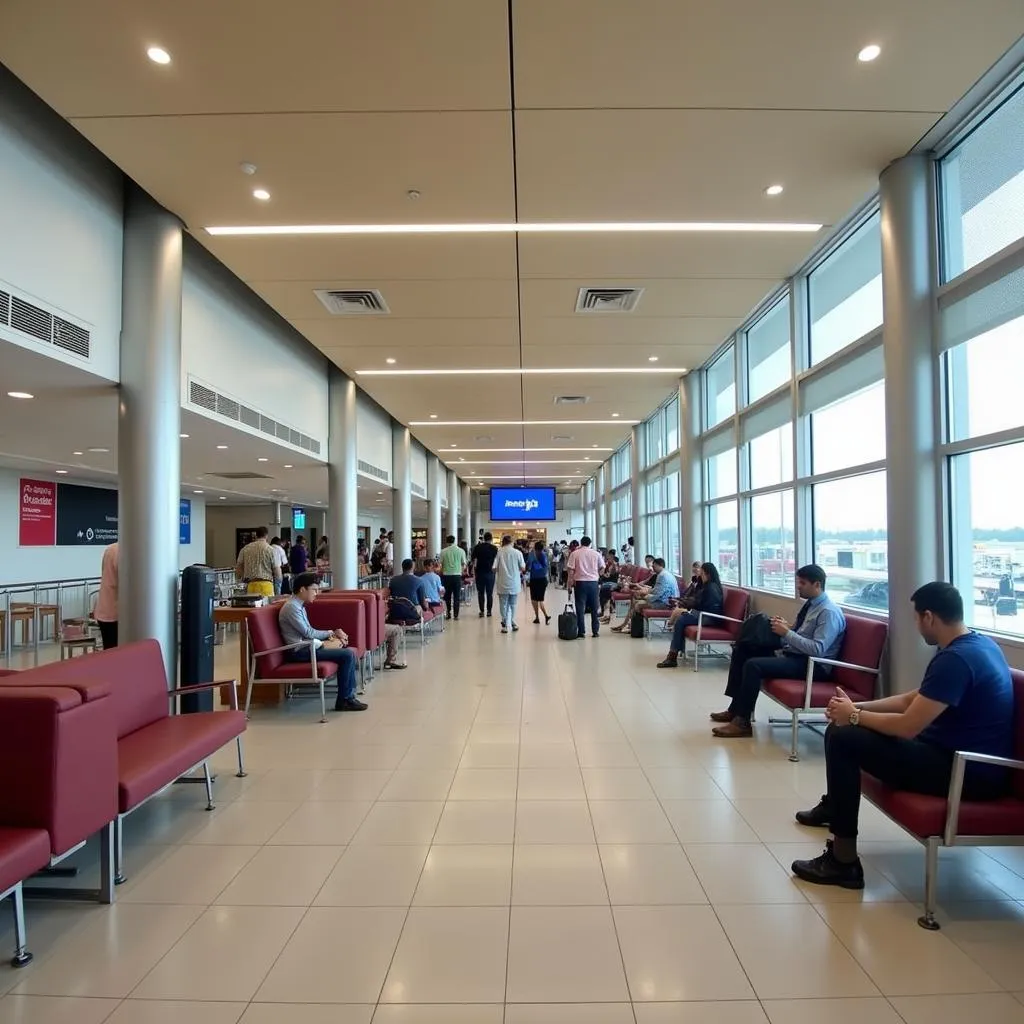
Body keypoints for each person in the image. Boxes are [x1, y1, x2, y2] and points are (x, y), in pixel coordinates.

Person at [791, 582, 1014, 891]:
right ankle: (835, 809)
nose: (916, 625)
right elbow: (914, 699)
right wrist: (856, 707)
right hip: (956, 759)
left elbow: (909, 726)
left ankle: (843, 863)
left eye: (916, 618)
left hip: (966, 773)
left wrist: (853, 716)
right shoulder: (977, 645)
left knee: (844, 737)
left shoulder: (956, 660)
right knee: (843, 730)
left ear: (929, 617)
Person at [711, 563, 846, 738]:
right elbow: (801, 633)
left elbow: (817, 649)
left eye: (803, 583)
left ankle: (743, 722)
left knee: (754, 665)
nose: (798, 587)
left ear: (817, 584)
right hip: (796, 655)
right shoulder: (812, 606)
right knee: (743, 650)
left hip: (813, 666)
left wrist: (787, 633)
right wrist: (786, 627)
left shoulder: (828, 612)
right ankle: (735, 709)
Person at [277, 572, 366, 712]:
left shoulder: (299, 605)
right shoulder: (292, 608)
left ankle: (349, 697)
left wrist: (331, 635)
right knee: (347, 655)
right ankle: (345, 699)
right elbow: (308, 633)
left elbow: (309, 631)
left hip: (307, 647)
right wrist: (332, 632)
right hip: (299, 651)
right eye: (314, 589)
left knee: (346, 652)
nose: (316, 593)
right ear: (302, 589)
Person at [657, 563, 725, 668]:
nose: (700, 576)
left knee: (681, 620)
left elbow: (702, 605)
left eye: (702, 574)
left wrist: (686, 605)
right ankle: (674, 653)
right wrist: (684, 603)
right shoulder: (708, 586)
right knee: (681, 618)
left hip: (709, 617)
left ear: (707, 574)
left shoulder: (711, 588)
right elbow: (698, 601)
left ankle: (673, 655)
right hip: (704, 615)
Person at [611, 557, 678, 633]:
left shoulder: (662, 576)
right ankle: (628, 625)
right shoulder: (665, 574)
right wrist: (645, 593)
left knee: (637, 604)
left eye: (654, 566)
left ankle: (633, 627)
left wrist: (645, 597)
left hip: (665, 603)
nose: (653, 568)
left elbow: (657, 594)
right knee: (635, 600)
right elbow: (656, 590)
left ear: (660, 566)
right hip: (665, 601)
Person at [566, 535, 603, 638]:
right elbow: (602, 567)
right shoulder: (596, 554)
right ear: (590, 543)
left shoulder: (574, 554)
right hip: (593, 583)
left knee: (580, 608)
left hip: (580, 583)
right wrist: (597, 575)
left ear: (581, 543)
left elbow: (571, 571)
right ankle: (595, 631)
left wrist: (569, 585)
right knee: (594, 607)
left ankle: (581, 632)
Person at [236, 526, 280, 598]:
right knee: (266, 609)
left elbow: (238, 568)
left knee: (253, 609)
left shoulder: (245, 549)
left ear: (256, 535)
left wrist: (243, 578)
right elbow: (277, 572)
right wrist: (278, 586)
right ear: (266, 535)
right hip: (267, 586)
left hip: (251, 585)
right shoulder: (271, 550)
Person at [495, 534, 526, 633]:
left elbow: (493, 568)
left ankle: (504, 624)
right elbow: (523, 568)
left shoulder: (499, 552)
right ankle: (513, 622)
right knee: (513, 604)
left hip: (502, 582)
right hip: (514, 583)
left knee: (503, 604)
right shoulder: (518, 553)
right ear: (512, 542)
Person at [388, 558, 429, 623]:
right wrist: (426, 608)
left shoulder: (393, 580)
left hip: (395, 612)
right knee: (420, 606)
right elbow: (422, 602)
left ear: (402, 567)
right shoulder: (419, 581)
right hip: (411, 612)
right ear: (413, 567)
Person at [95, 541, 119, 649]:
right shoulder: (125, 552)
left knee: (110, 652)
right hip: (114, 614)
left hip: (105, 611)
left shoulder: (111, 549)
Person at [439, 534, 468, 620]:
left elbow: (440, 564)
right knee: (456, 596)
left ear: (446, 541)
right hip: (457, 576)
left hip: (446, 576)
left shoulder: (443, 551)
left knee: (447, 596)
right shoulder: (461, 551)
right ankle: (456, 615)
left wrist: (442, 572)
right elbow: (464, 564)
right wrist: (461, 571)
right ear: (454, 541)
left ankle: (448, 613)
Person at [471, 532, 499, 618]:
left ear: (483, 538)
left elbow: (473, 559)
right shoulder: (494, 548)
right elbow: (497, 560)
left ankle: (482, 611)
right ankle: (489, 611)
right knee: (489, 593)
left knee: (480, 593)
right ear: (491, 539)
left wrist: (474, 569)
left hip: (479, 572)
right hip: (490, 573)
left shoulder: (478, 547)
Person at [526, 541, 551, 625]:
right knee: (540, 600)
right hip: (543, 579)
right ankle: (545, 616)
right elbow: (546, 568)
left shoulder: (531, 555)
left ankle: (537, 617)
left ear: (535, 548)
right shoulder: (544, 555)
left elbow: (528, 566)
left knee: (534, 599)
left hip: (534, 579)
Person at [598, 550, 620, 617]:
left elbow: (614, 574)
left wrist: (606, 575)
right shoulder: (610, 564)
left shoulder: (615, 564)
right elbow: (609, 574)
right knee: (602, 588)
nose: (608, 559)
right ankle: (606, 608)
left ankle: (604, 609)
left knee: (603, 588)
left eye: (609, 557)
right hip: (609, 581)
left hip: (612, 582)